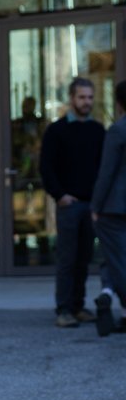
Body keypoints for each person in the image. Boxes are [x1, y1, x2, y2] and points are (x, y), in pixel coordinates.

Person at [40, 78, 105, 328]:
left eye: (90, 97)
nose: (87, 102)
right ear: (71, 98)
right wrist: (60, 195)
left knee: (84, 258)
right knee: (67, 259)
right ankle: (64, 309)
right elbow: (46, 168)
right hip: (69, 205)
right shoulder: (56, 131)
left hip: (91, 205)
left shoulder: (98, 131)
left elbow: (103, 168)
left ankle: (78, 306)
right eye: (82, 97)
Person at [89, 79, 126, 337]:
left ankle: (109, 295)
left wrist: (96, 206)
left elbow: (107, 173)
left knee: (116, 260)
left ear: (119, 103)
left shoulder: (118, 130)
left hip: (116, 207)